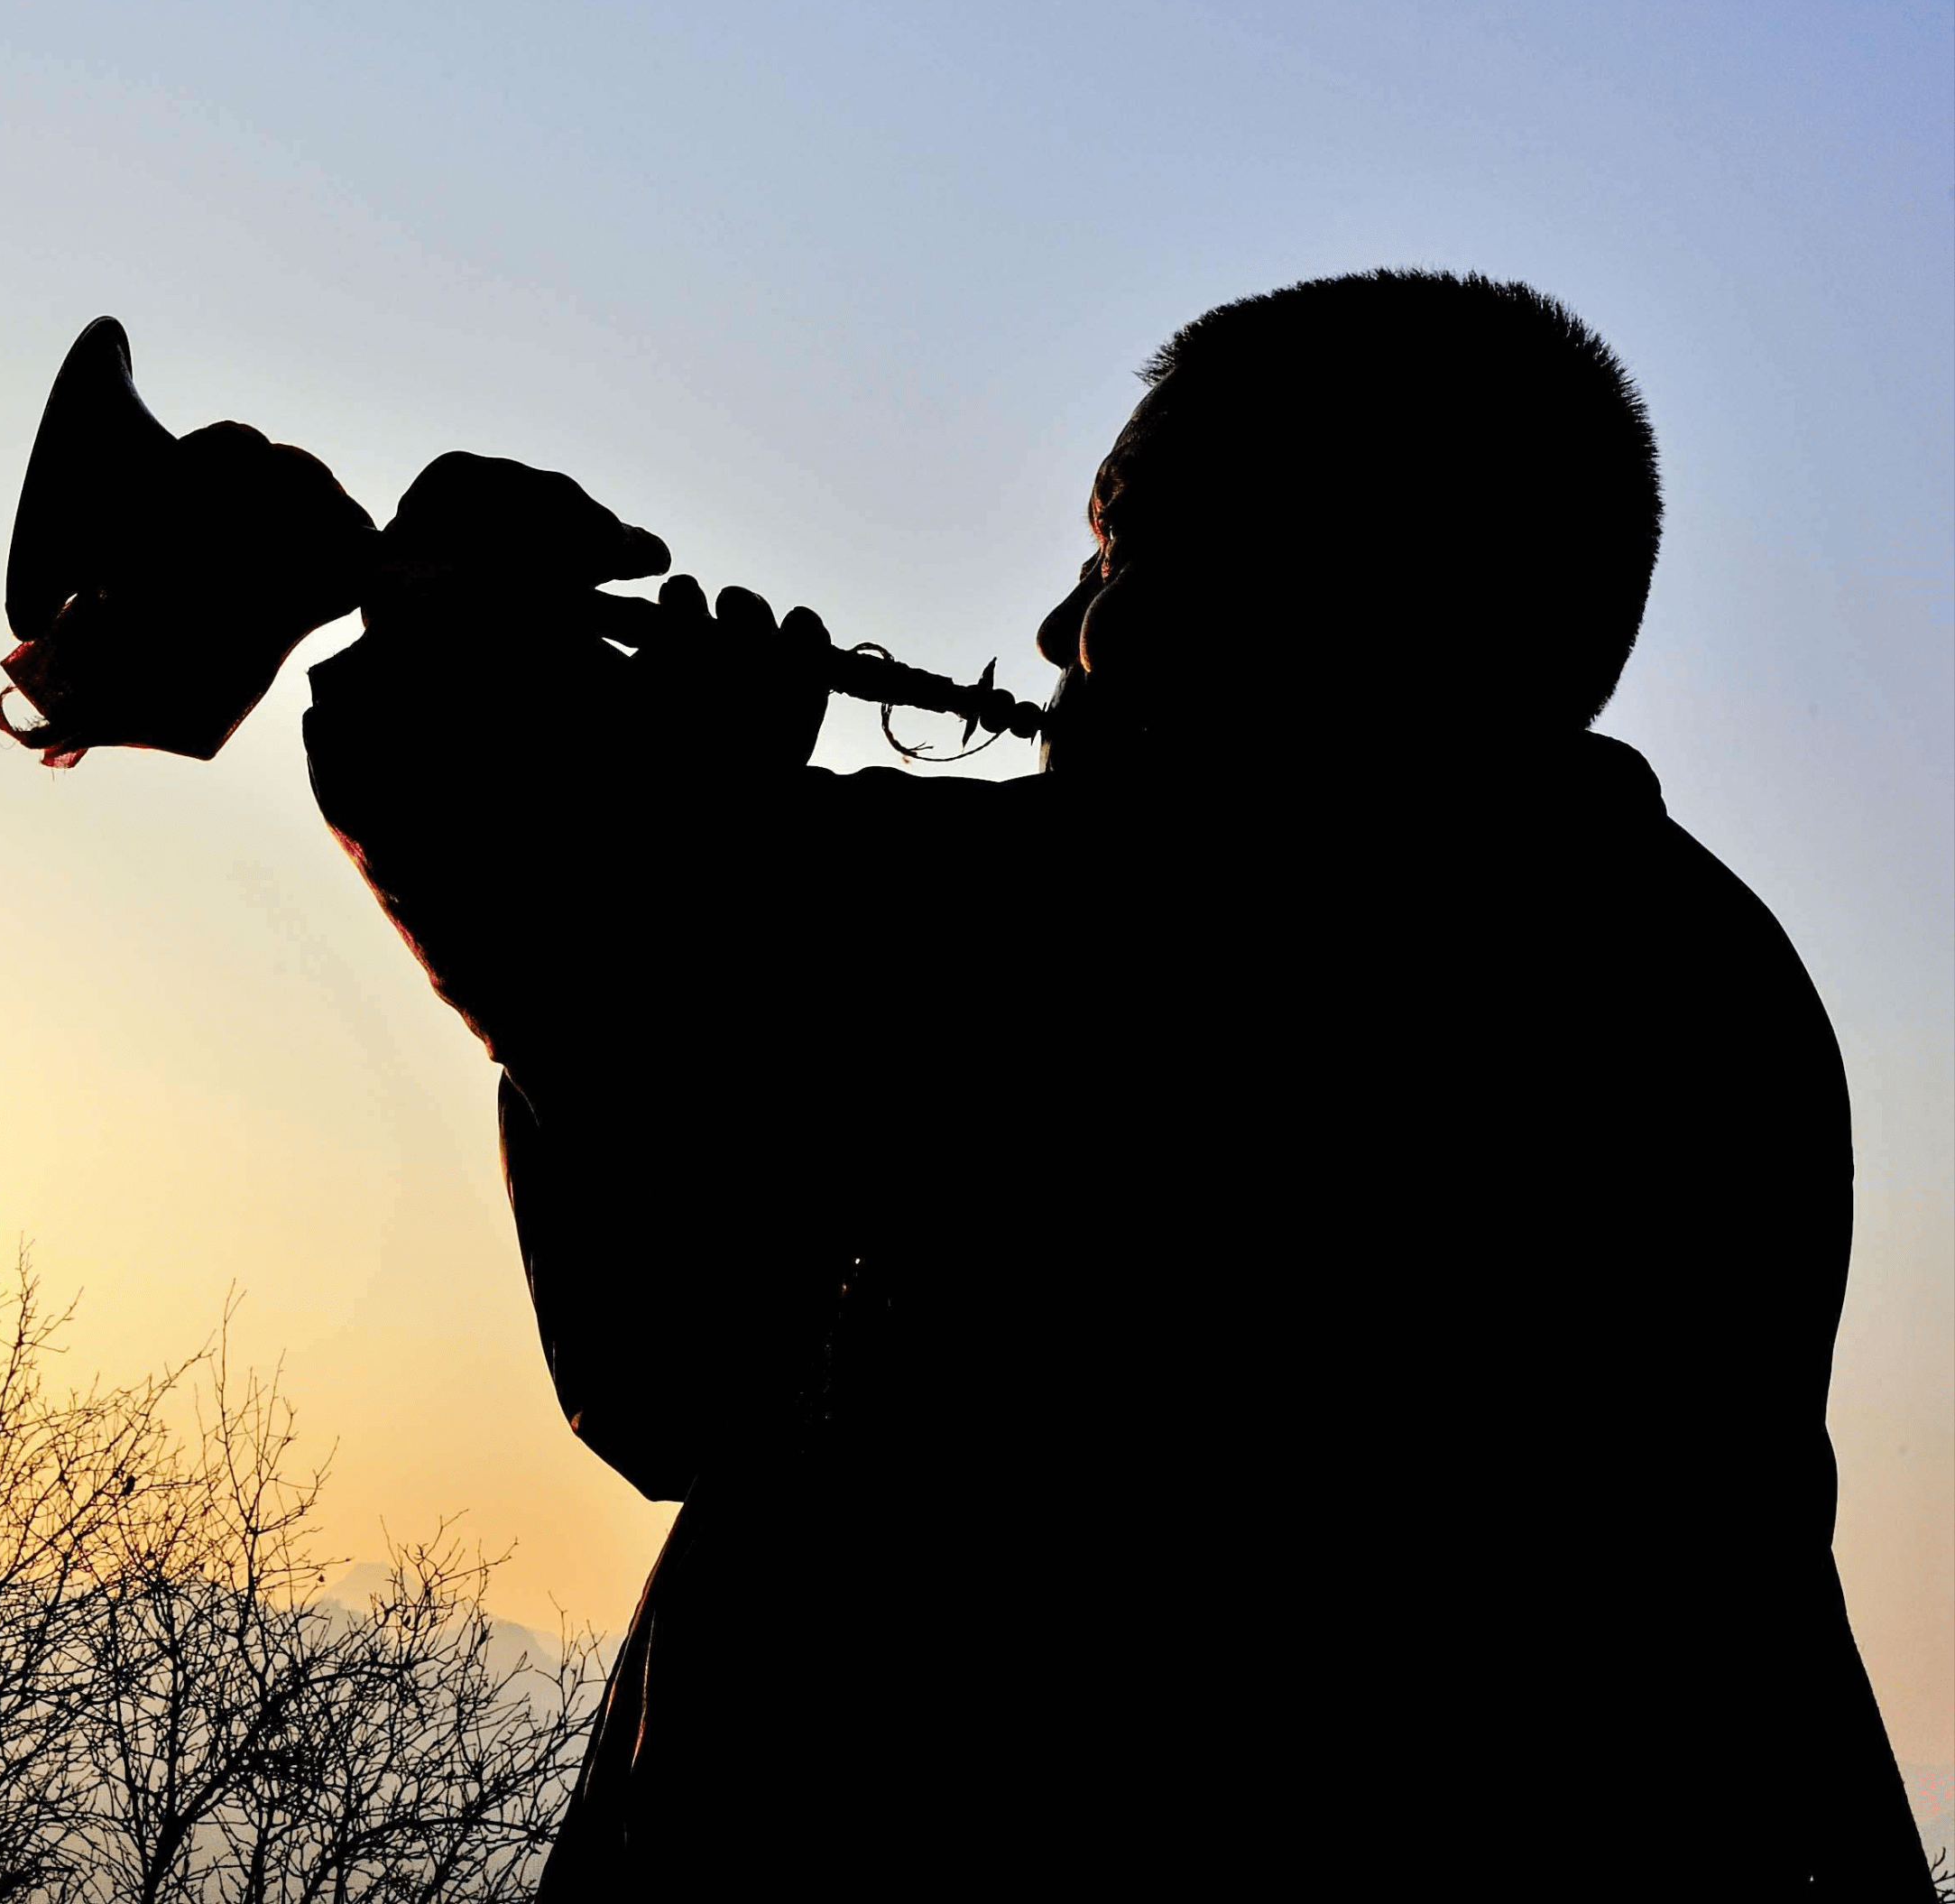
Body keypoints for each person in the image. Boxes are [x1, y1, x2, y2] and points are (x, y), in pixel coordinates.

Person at [300, 273, 1928, 1893]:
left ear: (1339, 583)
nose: (1058, 631)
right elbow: (679, 1381)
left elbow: (521, 847)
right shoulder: (1681, 956)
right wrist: (666, 921)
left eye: (1124, 549)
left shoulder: (1324, 909)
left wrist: (475, 657)